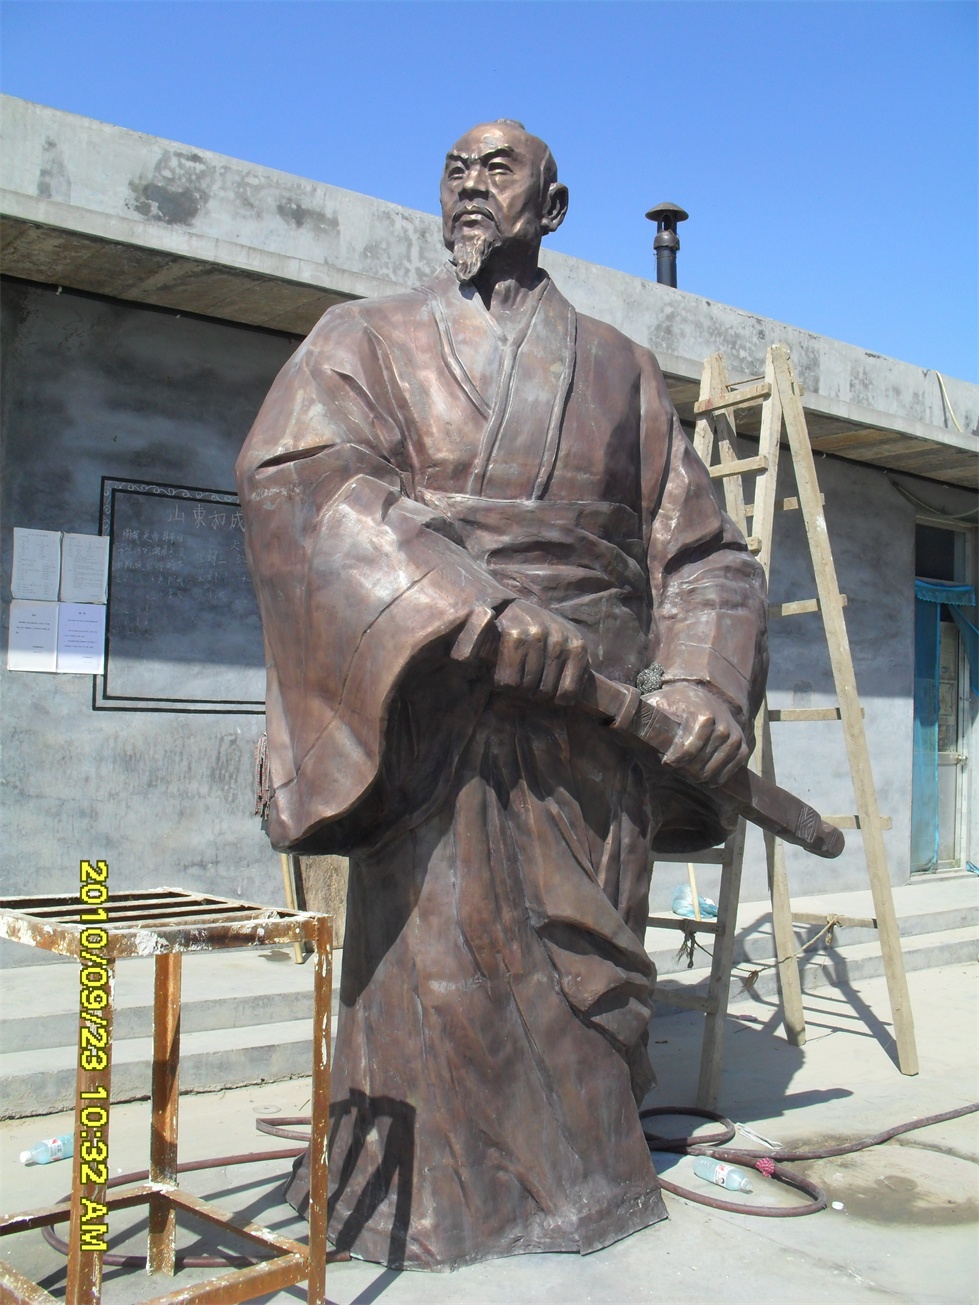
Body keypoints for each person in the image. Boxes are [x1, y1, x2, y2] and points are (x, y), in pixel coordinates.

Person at [236, 120, 768, 1270]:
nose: (471, 187)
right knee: (436, 980)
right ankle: (422, 1204)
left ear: (552, 207)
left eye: (498, 170)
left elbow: (706, 559)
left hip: (592, 749)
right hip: (438, 724)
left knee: (585, 1001)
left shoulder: (622, 370)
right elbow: (301, 486)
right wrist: (463, 602)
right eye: (455, 170)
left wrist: (703, 688)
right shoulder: (362, 339)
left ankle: (586, 1184)